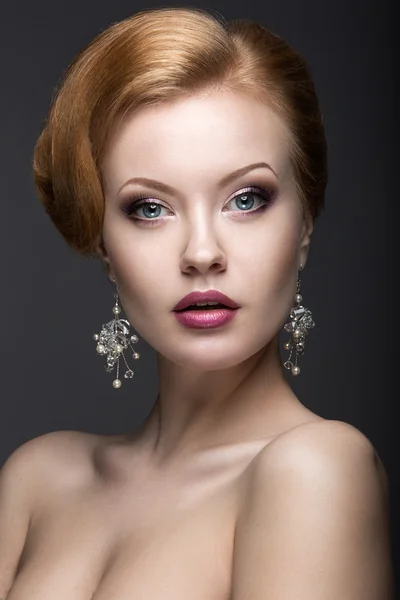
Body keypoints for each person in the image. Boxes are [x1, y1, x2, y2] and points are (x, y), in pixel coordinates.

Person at [0, 6, 394, 599]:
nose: (202, 252)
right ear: (105, 245)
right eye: (149, 208)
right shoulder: (35, 480)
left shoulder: (314, 470)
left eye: (246, 198)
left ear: (305, 223)